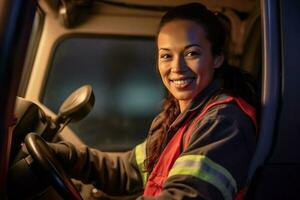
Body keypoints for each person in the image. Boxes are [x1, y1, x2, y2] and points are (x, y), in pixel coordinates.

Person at [50, 2, 257, 200]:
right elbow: (129, 170)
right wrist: (69, 157)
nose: (177, 67)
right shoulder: (173, 118)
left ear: (218, 58)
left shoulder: (223, 121)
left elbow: (187, 196)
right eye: (166, 56)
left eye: (192, 53)